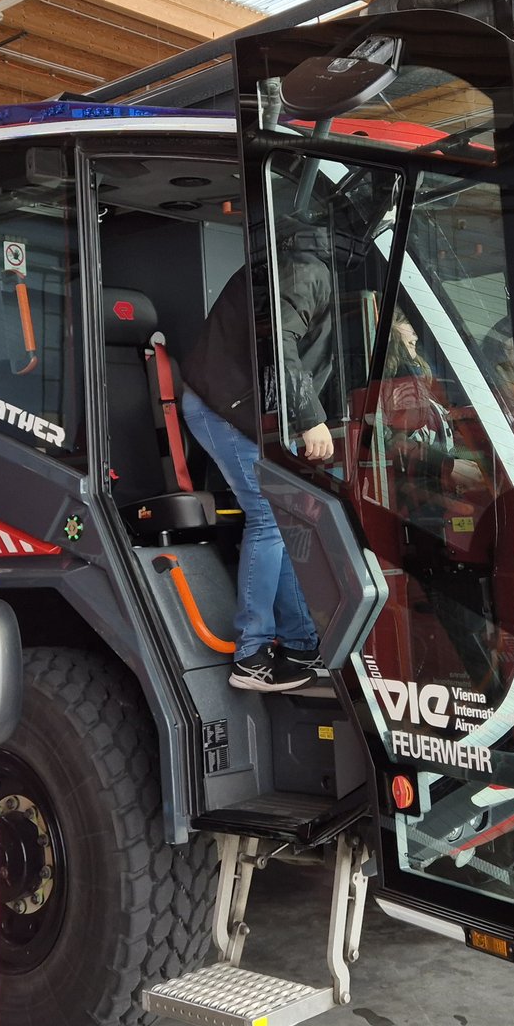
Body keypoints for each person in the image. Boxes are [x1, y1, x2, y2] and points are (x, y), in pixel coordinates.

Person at [181, 226, 335, 693]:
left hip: (234, 404)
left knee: (281, 518)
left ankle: (301, 644)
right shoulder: (306, 270)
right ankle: (251, 654)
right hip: (222, 407)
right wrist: (310, 418)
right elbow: (280, 343)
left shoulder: (288, 262)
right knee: (267, 515)